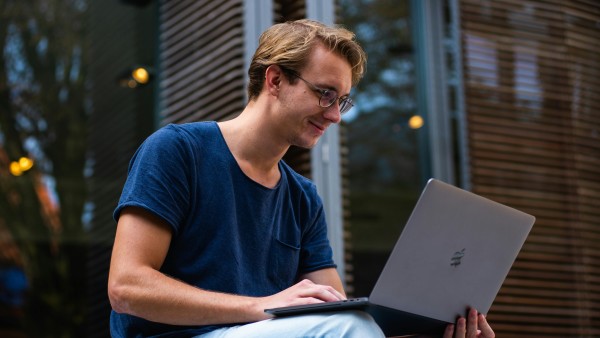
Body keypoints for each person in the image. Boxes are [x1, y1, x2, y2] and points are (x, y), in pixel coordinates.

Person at [107, 19, 495, 338]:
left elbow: (338, 310)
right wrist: (259, 307)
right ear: (275, 80)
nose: (335, 116)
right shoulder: (178, 150)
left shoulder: (302, 197)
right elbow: (126, 288)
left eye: (342, 101)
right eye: (326, 94)